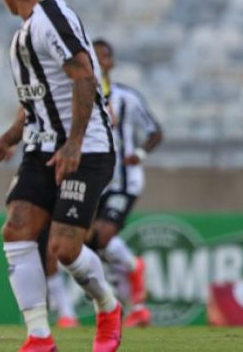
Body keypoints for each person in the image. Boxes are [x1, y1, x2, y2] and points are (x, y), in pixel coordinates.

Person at [0, 0, 121, 352]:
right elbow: (37, 103)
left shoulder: (50, 20)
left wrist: (73, 145)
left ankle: (108, 307)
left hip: (85, 149)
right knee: (17, 228)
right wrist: (6, 141)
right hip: (41, 149)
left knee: (64, 249)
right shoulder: (25, 33)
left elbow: (85, 77)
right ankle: (39, 337)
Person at [90, 38, 163, 327]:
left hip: (124, 181)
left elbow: (156, 131)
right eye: (92, 57)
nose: (98, 62)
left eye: (102, 57)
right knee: (90, 244)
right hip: (97, 180)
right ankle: (136, 298)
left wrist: (140, 153)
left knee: (102, 237)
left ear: (111, 63)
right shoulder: (79, 97)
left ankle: (125, 289)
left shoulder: (126, 98)